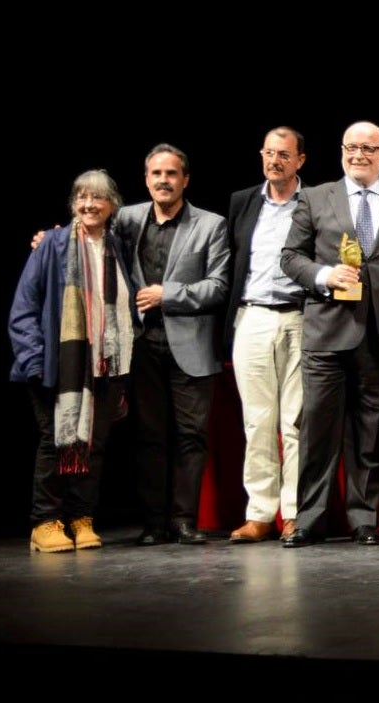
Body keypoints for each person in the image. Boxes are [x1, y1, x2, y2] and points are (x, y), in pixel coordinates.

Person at [279, 121, 379, 548]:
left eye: (368, 148)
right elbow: (290, 257)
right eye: (351, 147)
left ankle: (364, 518)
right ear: (341, 151)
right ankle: (309, 519)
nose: (359, 155)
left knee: (370, 434)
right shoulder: (316, 197)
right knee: (317, 431)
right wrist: (323, 274)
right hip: (326, 332)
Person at [10, 170, 139, 552]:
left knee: (93, 446)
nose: (88, 204)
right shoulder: (51, 245)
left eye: (97, 198)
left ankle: (81, 517)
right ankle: (45, 521)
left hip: (104, 367)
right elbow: (23, 310)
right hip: (56, 368)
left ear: (112, 205)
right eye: (81, 197)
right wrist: (35, 362)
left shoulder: (119, 247)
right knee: (56, 443)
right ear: (72, 204)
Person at [116, 145, 231, 546]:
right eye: (156, 174)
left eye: (171, 173)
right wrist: (49, 239)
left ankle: (183, 520)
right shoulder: (126, 219)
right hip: (141, 343)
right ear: (146, 178)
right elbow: (87, 232)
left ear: (185, 179)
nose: (163, 180)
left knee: (190, 436)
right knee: (149, 436)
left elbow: (218, 286)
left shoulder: (211, 224)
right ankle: (153, 522)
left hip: (192, 345)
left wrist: (170, 294)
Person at [225, 126, 308, 543]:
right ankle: (259, 513)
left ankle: (293, 513)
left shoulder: (313, 201)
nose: (274, 160)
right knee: (257, 421)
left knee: (295, 421)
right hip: (253, 317)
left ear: (300, 161)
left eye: (284, 154)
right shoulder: (242, 202)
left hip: (299, 317)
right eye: (269, 153)